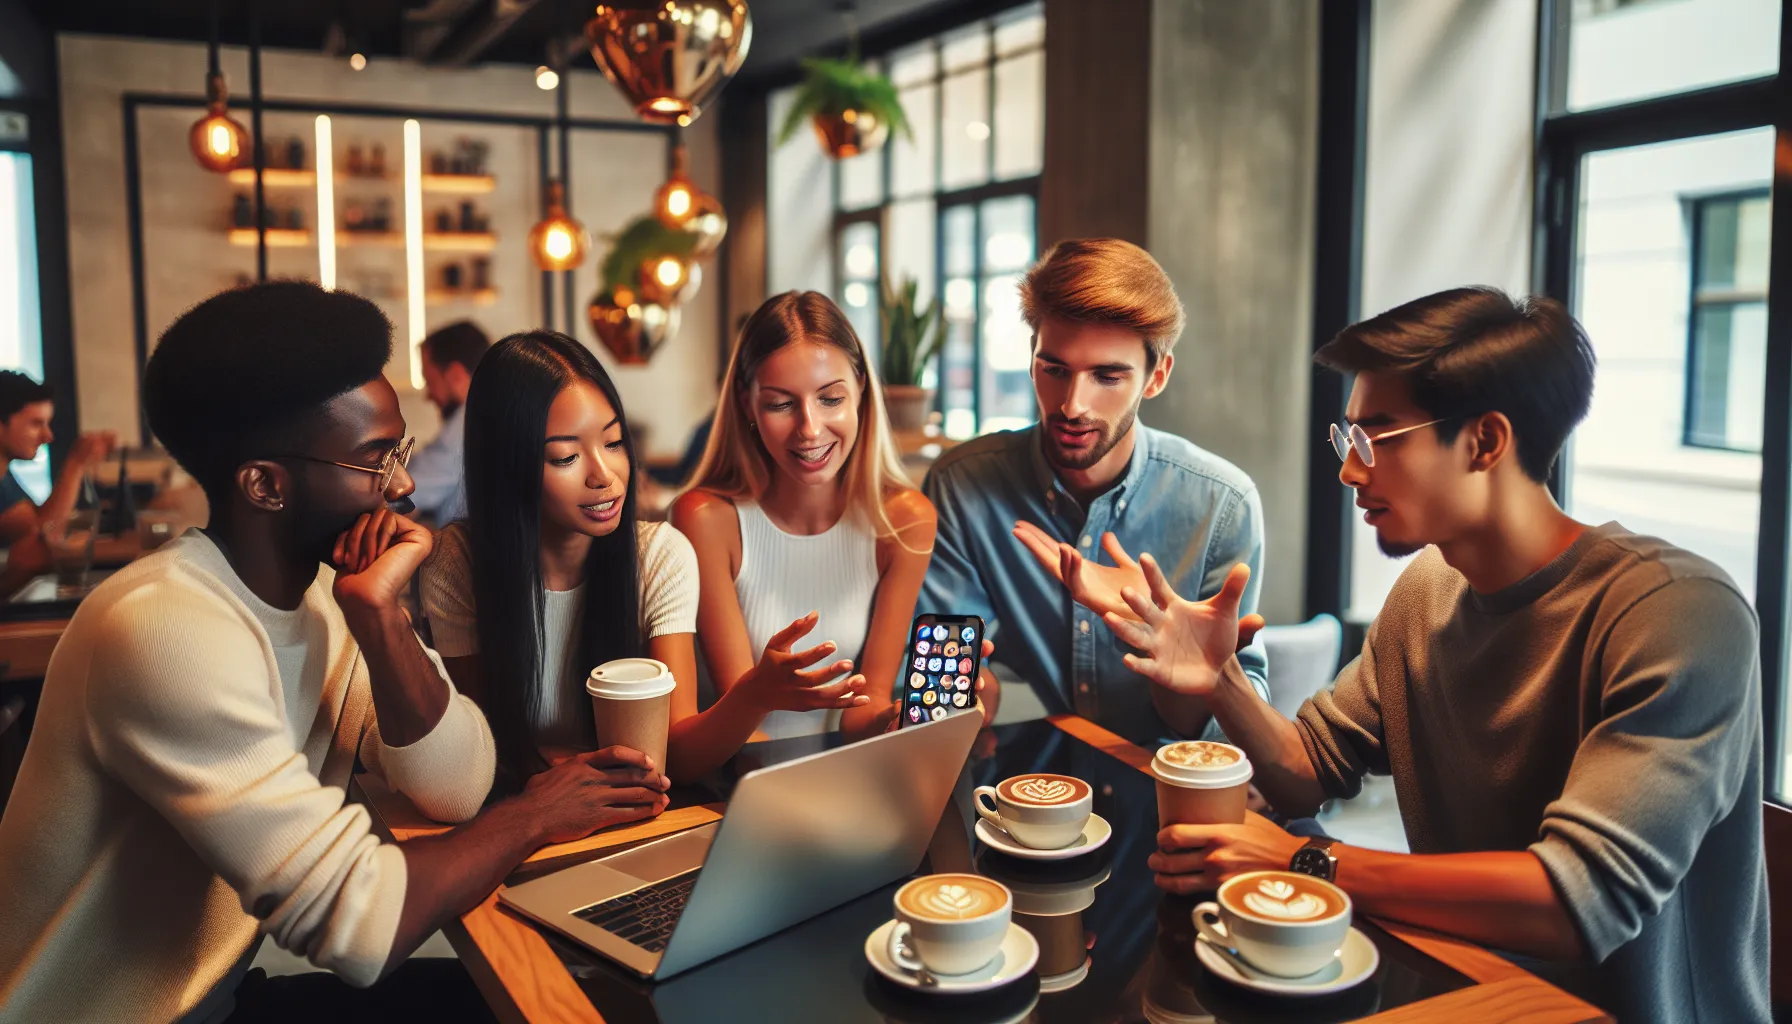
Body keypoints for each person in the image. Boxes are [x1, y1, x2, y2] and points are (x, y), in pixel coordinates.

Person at [1068, 287, 1767, 1023]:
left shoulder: (1676, 612)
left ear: (1485, 442)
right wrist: (1221, 680)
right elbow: (1308, 771)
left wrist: (1306, 862)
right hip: (1466, 990)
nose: (1350, 471)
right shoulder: (1430, 589)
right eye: (1347, 439)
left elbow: (1576, 902)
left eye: (1377, 438)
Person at [0, 283, 670, 1023]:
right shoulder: (165, 627)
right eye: (376, 460)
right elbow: (359, 926)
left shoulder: (329, 600)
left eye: (401, 451)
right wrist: (535, 814)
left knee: (573, 996)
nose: (405, 485)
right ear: (266, 485)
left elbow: (457, 787)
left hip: (217, 1002)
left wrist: (380, 617)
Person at [919, 238, 1267, 749]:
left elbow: (1232, 737)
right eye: (1055, 370)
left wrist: (1160, 637)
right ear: (1032, 360)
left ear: (1156, 377)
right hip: (1019, 785)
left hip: (1158, 788)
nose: (1072, 405)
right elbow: (943, 678)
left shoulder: (1221, 505)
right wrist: (966, 693)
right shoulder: (962, 485)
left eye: (1106, 376)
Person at [424, 330, 804, 784]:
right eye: (565, 457)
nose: (604, 476)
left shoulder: (659, 556)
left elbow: (675, 754)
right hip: (519, 809)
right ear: (506, 465)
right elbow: (475, 750)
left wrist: (753, 696)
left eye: (614, 442)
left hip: (629, 803)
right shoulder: (457, 563)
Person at [671, 291, 944, 741]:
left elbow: (866, 704)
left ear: (860, 390)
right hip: (744, 771)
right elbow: (742, 723)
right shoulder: (706, 520)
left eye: (830, 399)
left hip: (846, 771)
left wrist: (898, 720)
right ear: (747, 404)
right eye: (781, 404)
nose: (810, 430)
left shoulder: (905, 520)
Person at [0, 370, 117, 594]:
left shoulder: (5, 476)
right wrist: (76, 464)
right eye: (36, 424)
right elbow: (45, 537)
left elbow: (34, 528)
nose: (48, 436)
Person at [405, 320, 489, 524]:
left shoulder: (467, 423)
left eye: (429, 381)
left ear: (455, 375)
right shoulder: (493, 413)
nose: (428, 396)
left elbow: (403, 496)